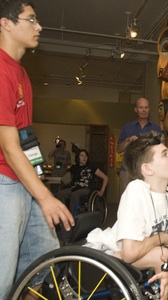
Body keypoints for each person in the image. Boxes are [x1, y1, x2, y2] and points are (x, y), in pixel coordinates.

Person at [0, 1, 74, 298]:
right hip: (4, 182)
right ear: (5, 23)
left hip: (23, 182)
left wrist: (38, 178)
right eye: (31, 19)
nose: (39, 26)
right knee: (3, 274)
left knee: (45, 255)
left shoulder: (21, 74)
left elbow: (25, 137)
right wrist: (46, 198)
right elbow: (8, 145)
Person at [85, 132, 168, 300]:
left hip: (140, 255)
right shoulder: (136, 190)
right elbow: (130, 253)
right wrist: (165, 239)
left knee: (166, 256)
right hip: (107, 256)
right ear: (147, 168)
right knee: (162, 254)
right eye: (165, 154)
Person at [117, 97, 162, 197]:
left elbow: (161, 151)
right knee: (126, 198)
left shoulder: (156, 128)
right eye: (141, 107)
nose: (144, 110)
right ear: (136, 109)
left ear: (149, 109)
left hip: (149, 169)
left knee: (147, 199)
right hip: (128, 169)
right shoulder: (127, 127)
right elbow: (118, 149)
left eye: (146, 107)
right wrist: (127, 141)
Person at [56, 149, 108, 213]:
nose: (84, 158)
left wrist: (102, 190)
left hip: (86, 188)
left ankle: (73, 218)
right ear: (78, 157)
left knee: (75, 195)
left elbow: (105, 178)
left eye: (86, 156)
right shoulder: (74, 168)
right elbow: (66, 178)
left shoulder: (92, 167)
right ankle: (63, 214)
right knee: (60, 194)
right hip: (75, 187)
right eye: (82, 156)